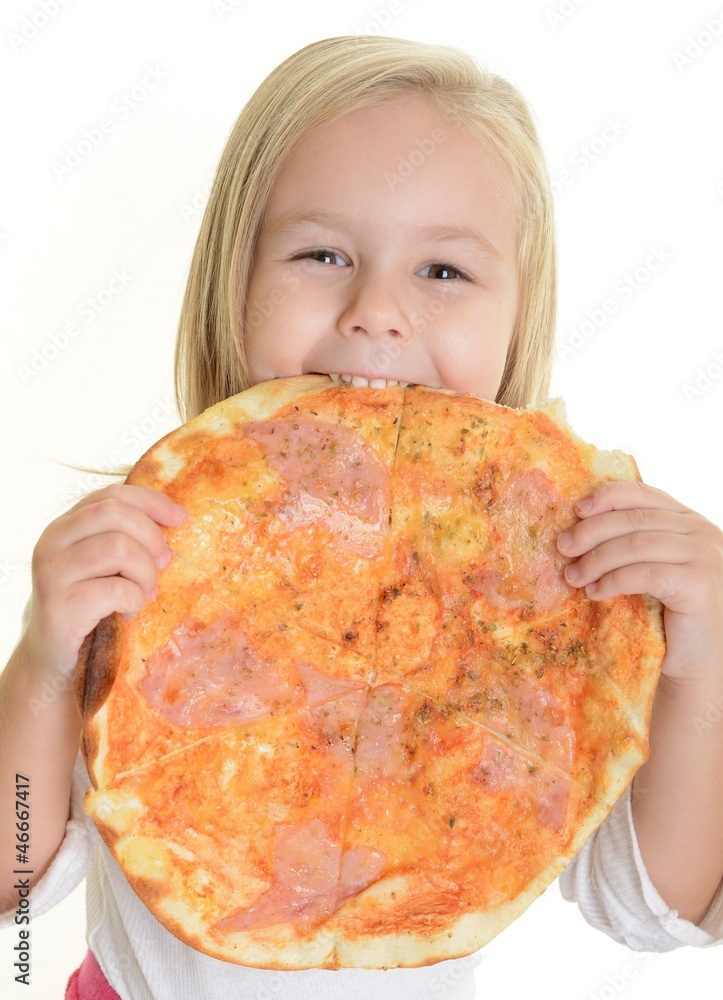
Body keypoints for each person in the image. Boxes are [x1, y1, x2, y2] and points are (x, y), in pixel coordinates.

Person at [1, 34, 721, 1000]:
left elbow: (654, 907)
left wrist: (705, 658)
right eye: (322, 252)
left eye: (443, 273)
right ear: (232, 282)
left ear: (518, 319)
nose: (377, 312)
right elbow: (8, 889)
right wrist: (44, 667)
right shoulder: (148, 555)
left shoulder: (566, 580)